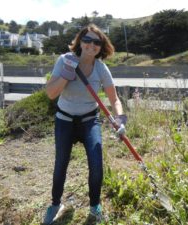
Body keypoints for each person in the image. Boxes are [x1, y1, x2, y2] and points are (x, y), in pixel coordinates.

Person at [43, 23, 126, 224]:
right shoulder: (64, 60)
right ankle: (55, 204)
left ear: (101, 46)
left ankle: (95, 205)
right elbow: (51, 93)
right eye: (87, 40)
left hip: (89, 120)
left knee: (96, 164)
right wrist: (66, 74)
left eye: (96, 42)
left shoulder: (101, 68)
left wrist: (120, 120)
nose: (91, 45)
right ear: (80, 41)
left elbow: (114, 99)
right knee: (61, 163)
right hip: (65, 119)